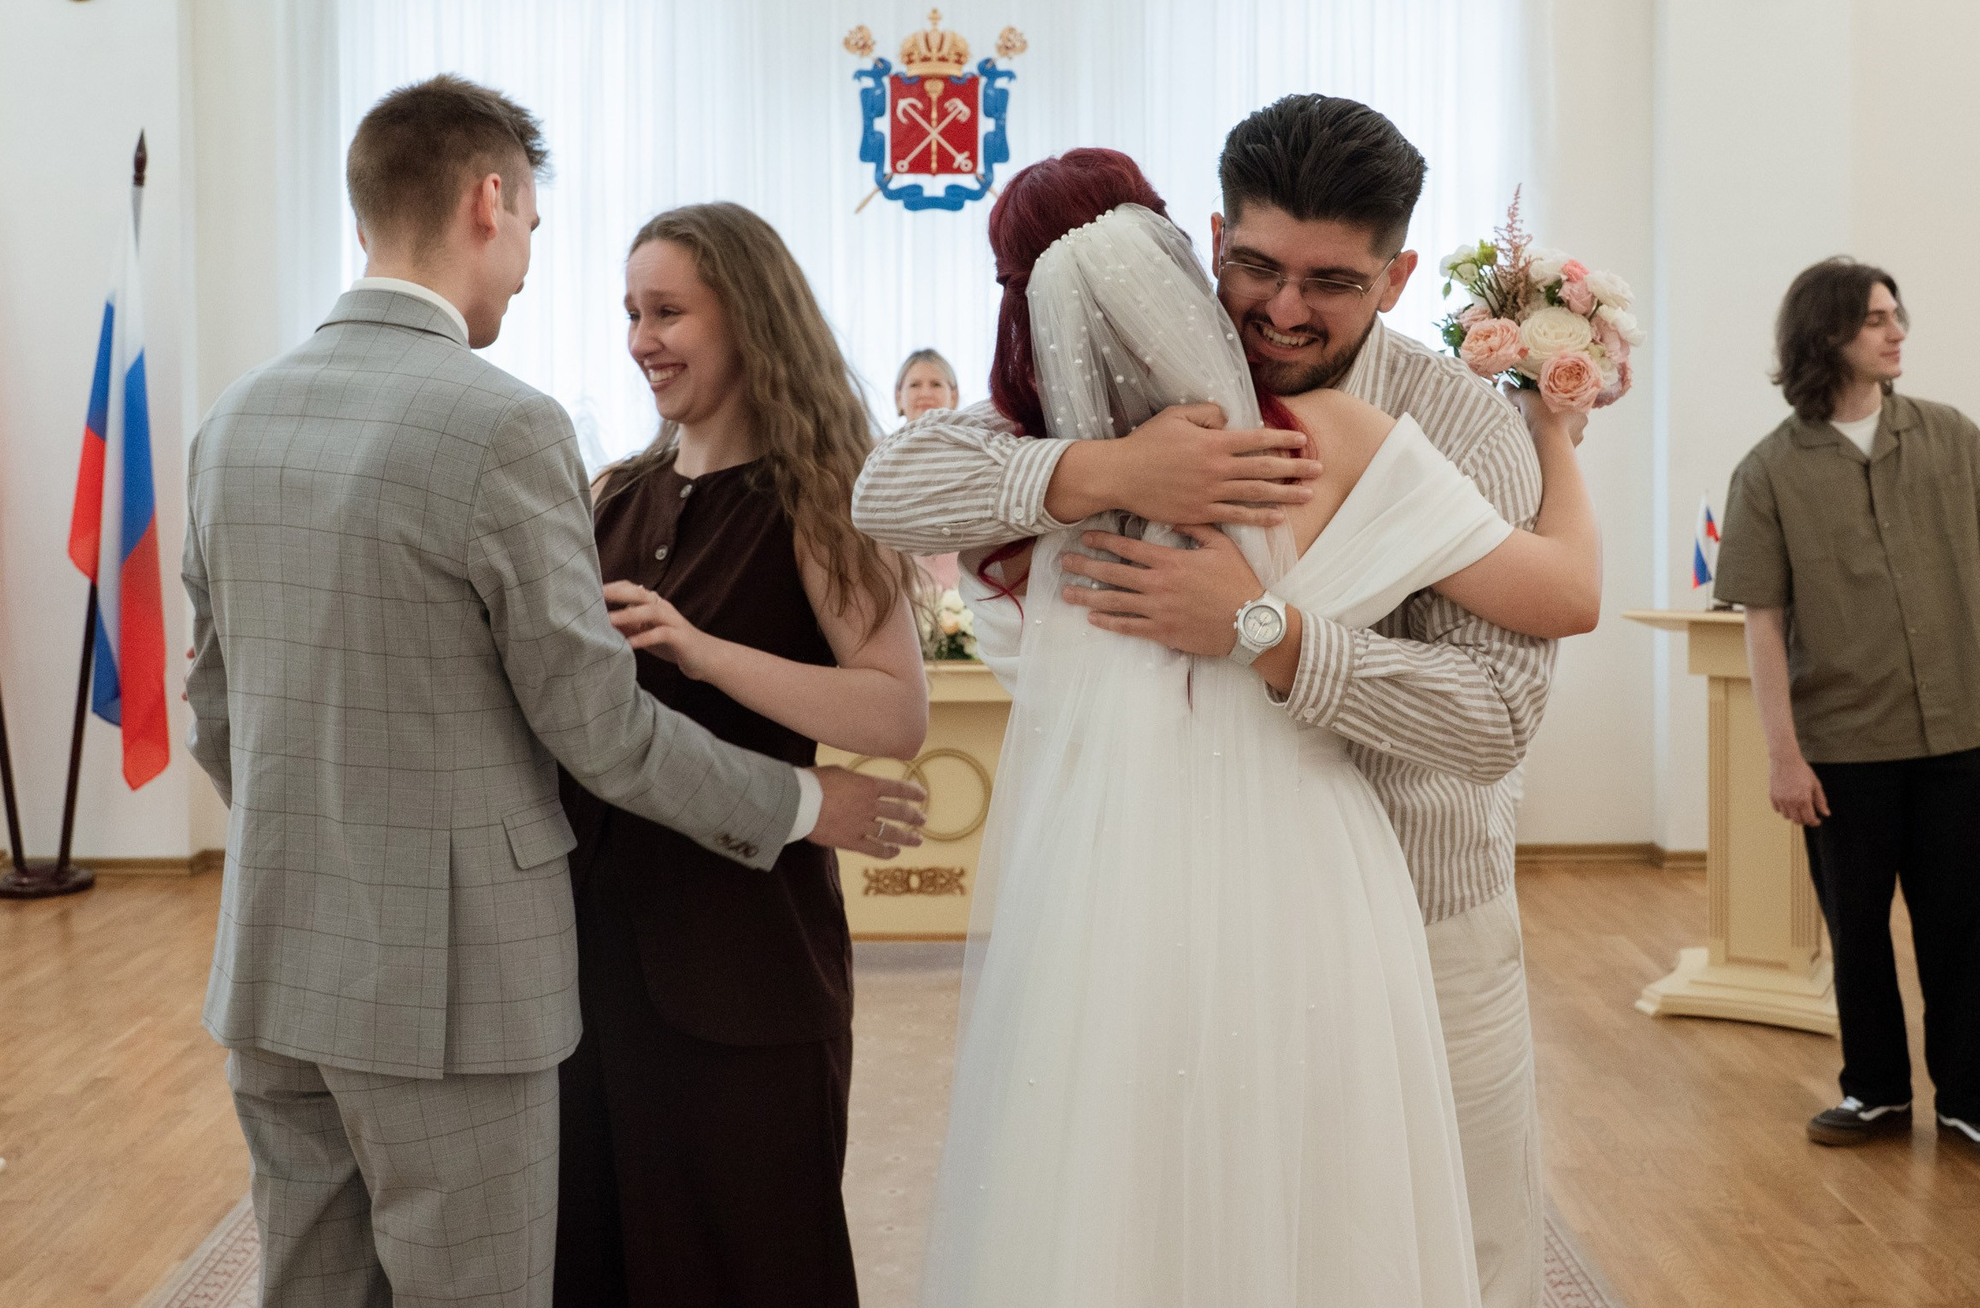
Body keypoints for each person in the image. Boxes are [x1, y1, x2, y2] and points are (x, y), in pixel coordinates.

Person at [182, 76, 925, 1308]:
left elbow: (214, 712)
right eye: (535, 233)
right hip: (500, 971)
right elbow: (590, 725)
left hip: (296, 955)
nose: (533, 271)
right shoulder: (517, 434)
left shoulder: (233, 420)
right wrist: (800, 802)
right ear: (491, 199)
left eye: (666, 308)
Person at [856, 101, 1574, 1308]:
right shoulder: (1144, 380)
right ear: (1207, 239)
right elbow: (893, 481)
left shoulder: (1452, 423)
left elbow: (1495, 714)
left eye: (1330, 282)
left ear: (1397, 273)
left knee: (1454, 1257)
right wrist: (1106, 471)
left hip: (1424, 909)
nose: (1282, 311)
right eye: (1254, 266)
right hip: (1206, 934)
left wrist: (1270, 633)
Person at [556, 203, 930, 1308]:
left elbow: (894, 712)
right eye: (631, 312)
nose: (642, 338)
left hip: (751, 964)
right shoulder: (609, 495)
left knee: (758, 1260)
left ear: (749, 318)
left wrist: (705, 650)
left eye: (668, 310)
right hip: (596, 958)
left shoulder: (819, 496)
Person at [1713, 258, 1980, 1177]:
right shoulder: (1769, 471)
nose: (1896, 329)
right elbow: (1763, 622)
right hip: (1842, 749)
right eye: (1875, 318)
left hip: (1959, 735)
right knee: (1858, 931)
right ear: (1826, 335)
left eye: (1896, 313)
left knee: (1960, 927)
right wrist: (1783, 756)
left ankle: (1970, 1107)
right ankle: (1875, 1088)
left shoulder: (1950, 436)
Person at [893, 349, 966, 590]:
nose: (925, 392)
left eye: (935, 384)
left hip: (963, 592)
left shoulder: (972, 455)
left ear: (953, 396)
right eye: (914, 385)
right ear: (898, 398)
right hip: (902, 589)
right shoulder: (875, 461)